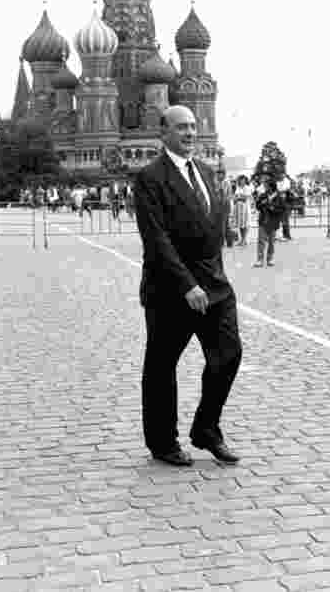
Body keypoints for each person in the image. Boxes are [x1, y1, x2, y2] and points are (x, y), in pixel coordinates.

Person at [133, 105, 242, 467]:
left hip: (213, 285)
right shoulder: (150, 177)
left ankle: (206, 429)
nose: (190, 133)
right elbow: (156, 239)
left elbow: (212, 229)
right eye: (181, 127)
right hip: (170, 289)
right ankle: (163, 442)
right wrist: (187, 285)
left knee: (228, 355)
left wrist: (217, 279)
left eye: (193, 126)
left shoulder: (207, 172)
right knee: (162, 367)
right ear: (163, 132)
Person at [254, 177, 285, 267]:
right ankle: (259, 259)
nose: (265, 187)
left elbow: (282, 208)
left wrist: (273, 208)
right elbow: (257, 205)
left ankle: (270, 258)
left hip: (273, 221)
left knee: (271, 241)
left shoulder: (279, 197)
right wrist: (262, 204)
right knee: (261, 241)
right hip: (263, 220)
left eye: (266, 185)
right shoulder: (263, 195)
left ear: (271, 186)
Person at [232, 175, 252, 246]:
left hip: (245, 208)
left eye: (243, 180)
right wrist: (238, 198)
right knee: (240, 224)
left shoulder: (248, 188)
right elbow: (234, 197)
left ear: (245, 180)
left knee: (245, 224)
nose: (242, 181)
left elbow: (245, 198)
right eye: (240, 180)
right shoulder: (238, 188)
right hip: (238, 208)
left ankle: (244, 239)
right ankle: (241, 240)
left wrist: (238, 197)